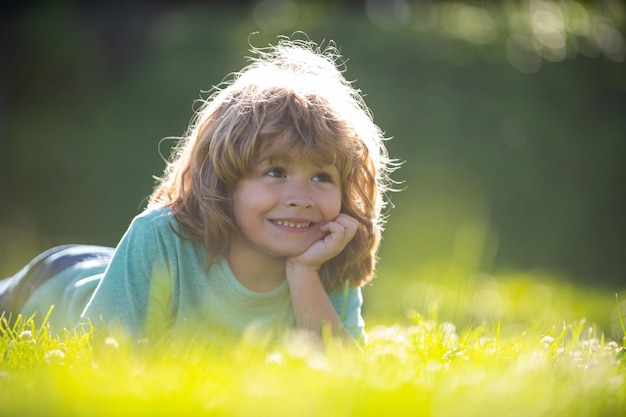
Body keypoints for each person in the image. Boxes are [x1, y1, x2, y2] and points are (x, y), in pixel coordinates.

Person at [0, 37, 396, 344]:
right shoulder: (159, 236)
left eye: (322, 177)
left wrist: (303, 273)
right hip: (56, 283)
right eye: (276, 171)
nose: (301, 197)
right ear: (223, 179)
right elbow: (102, 357)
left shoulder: (329, 255)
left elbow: (343, 375)